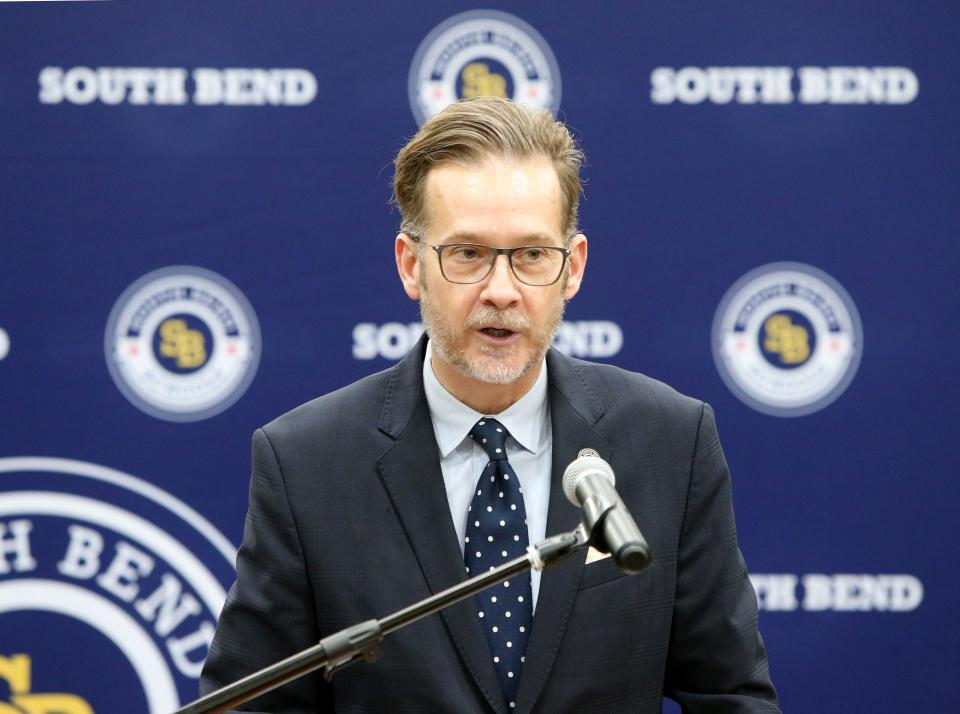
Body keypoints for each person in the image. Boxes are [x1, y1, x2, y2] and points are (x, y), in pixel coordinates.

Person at [200, 96, 780, 713]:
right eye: (468, 253)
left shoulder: (669, 441)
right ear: (411, 265)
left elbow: (732, 696)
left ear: (572, 268)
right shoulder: (308, 462)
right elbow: (248, 705)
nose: (501, 291)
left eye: (531, 255)